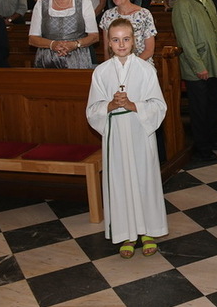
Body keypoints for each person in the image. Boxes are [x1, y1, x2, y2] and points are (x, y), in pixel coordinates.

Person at [86, 18, 168, 259]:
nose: (121, 44)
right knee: (120, 182)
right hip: (115, 135)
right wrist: (110, 105)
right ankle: (127, 235)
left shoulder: (146, 70)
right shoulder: (101, 72)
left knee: (144, 179)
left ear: (134, 41)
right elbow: (92, 109)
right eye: (115, 40)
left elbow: (158, 105)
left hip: (140, 133)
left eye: (126, 39)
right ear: (109, 43)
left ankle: (149, 231)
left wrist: (133, 105)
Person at [172, 0, 217, 160]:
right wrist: (199, 66)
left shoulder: (209, 2)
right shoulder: (182, 4)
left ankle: (213, 138)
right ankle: (202, 147)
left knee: (214, 105)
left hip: (214, 63)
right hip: (198, 66)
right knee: (200, 109)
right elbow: (185, 40)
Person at [28, 0, 99, 69]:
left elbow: (94, 37)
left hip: (78, 60)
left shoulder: (85, 4)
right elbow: (32, 39)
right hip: (47, 61)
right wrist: (52, 44)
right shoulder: (40, 5)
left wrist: (75, 44)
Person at [100, 0, 157, 64]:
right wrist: (109, 68)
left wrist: (129, 65)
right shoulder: (108, 15)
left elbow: (149, 50)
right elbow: (107, 49)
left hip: (141, 63)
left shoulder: (144, 14)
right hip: (116, 65)